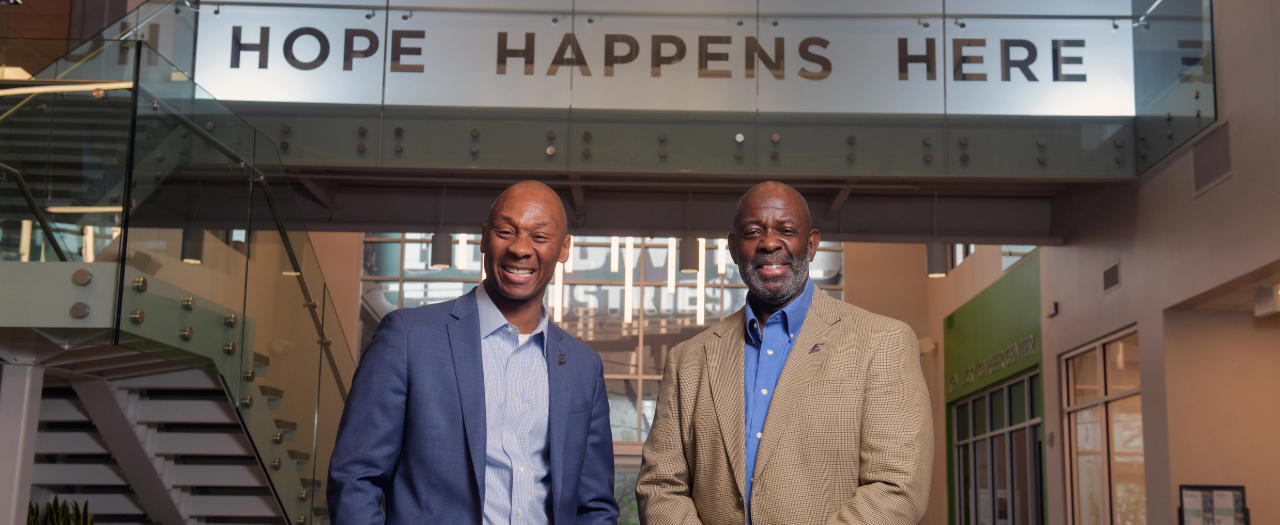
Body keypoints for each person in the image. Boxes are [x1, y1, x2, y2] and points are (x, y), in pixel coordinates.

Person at [636, 181, 933, 525]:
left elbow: (898, 487)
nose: (769, 243)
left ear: (812, 245)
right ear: (733, 248)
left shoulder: (882, 341)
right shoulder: (688, 360)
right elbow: (660, 486)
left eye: (786, 230)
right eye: (752, 232)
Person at [329, 181, 619, 525]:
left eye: (539, 237)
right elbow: (355, 478)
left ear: (564, 248)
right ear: (484, 237)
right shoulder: (407, 338)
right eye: (505, 231)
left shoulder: (583, 367)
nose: (520, 249)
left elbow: (595, 506)